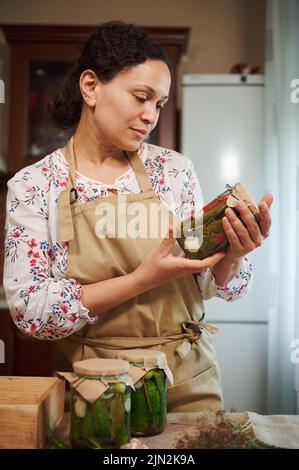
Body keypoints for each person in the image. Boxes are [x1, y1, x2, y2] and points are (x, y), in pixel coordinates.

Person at [3, 21, 272, 412]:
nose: (151, 116)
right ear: (91, 87)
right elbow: (32, 314)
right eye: (141, 97)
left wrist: (233, 254)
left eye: (159, 104)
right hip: (94, 390)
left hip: (187, 380)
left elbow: (204, 275)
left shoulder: (174, 171)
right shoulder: (35, 185)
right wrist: (141, 280)